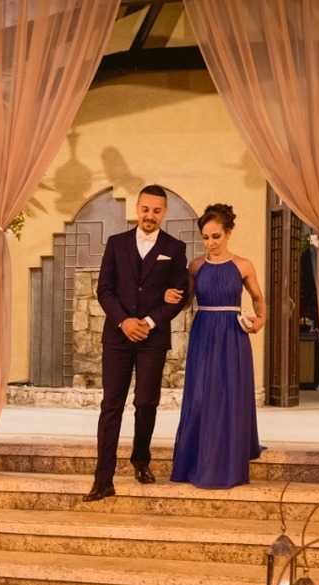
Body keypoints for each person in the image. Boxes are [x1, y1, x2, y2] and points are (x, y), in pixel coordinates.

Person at [84, 185, 189, 502]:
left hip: (152, 338)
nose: (150, 215)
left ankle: (141, 460)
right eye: (145, 209)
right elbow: (104, 290)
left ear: (164, 212)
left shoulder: (175, 247)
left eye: (156, 210)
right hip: (118, 336)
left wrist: (150, 321)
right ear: (137, 208)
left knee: (146, 402)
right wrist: (124, 321)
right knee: (111, 405)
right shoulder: (116, 244)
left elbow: (179, 294)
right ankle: (103, 479)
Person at [169, 203, 265, 489]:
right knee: (201, 396)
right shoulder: (196, 266)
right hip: (204, 333)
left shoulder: (243, 265)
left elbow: (258, 298)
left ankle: (230, 457)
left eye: (216, 236)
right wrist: (170, 296)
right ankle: (199, 457)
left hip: (233, 336)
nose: (210, 243)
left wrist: (260, 320)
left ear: (229, 233)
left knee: (231, 394)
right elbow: (186, 302)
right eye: (205, 237)